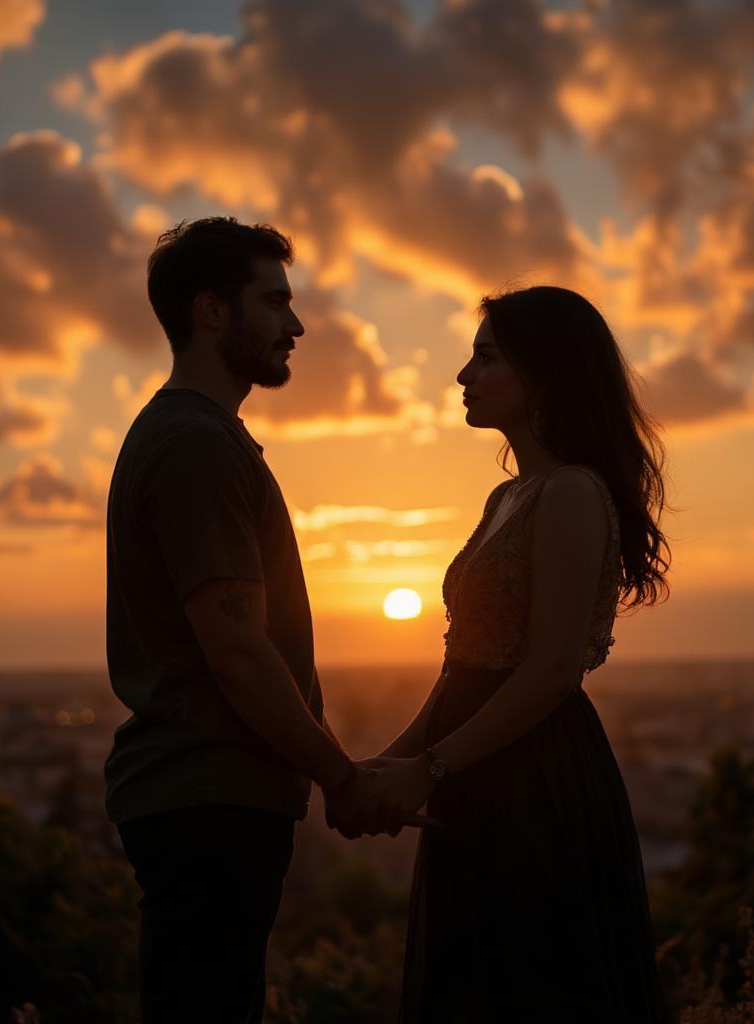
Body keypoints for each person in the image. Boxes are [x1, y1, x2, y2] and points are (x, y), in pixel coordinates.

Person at [103, 217, 390, 1023]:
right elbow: (235, 644)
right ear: (213, 312)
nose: (295, 327)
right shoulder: (197, 444)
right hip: (209, 797)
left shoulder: (195, 437)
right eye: (275, 302)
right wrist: (341, 776)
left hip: (210, 795)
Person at [364, 286, 675, 1022]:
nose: (463, 377)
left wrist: (428, 768)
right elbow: (463, 664)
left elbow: (551, 670)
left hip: (536, 779)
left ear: (545, 373)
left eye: (485, 358)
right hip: (476, 772)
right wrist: (388, 766)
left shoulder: (570, 493)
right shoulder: (506, 497)